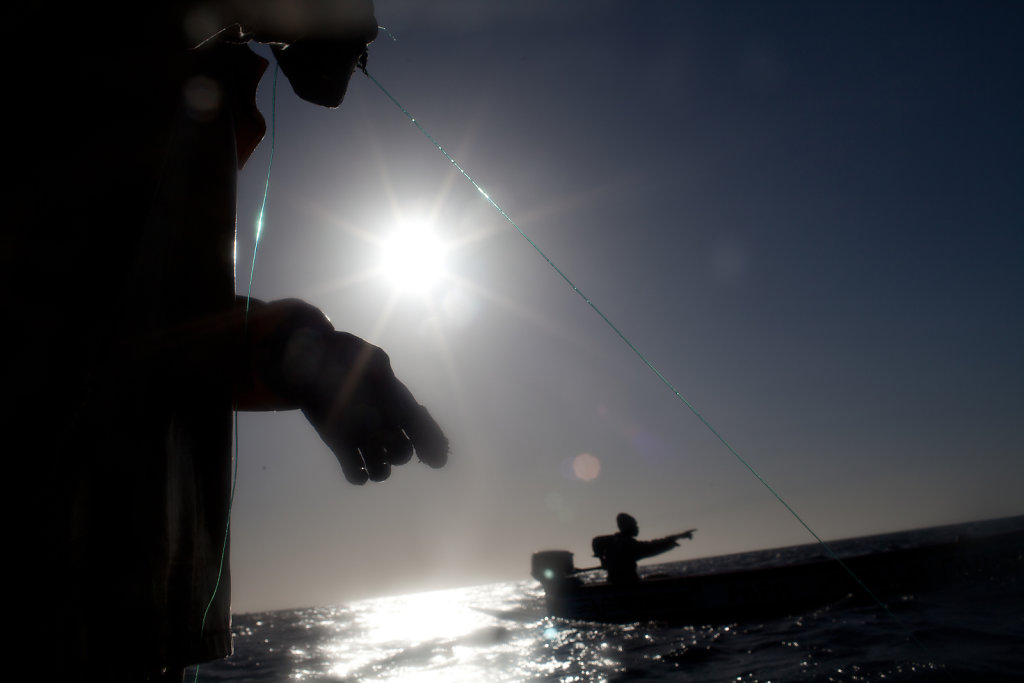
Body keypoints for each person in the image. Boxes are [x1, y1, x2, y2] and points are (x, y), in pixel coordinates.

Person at [6, 2, 446, 680]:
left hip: (131, 613)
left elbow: (133, 323)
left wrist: (281, 348)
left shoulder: (197, 78)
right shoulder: (80, 58)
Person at [592, 513, 695, 584]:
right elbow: (650, 547)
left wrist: (602, 559)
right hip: (628, 585)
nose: (637, 527)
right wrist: (675, 539)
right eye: (635, 525)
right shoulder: (627, 544)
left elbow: (596, 541)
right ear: (628, 527)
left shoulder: (614, 541)